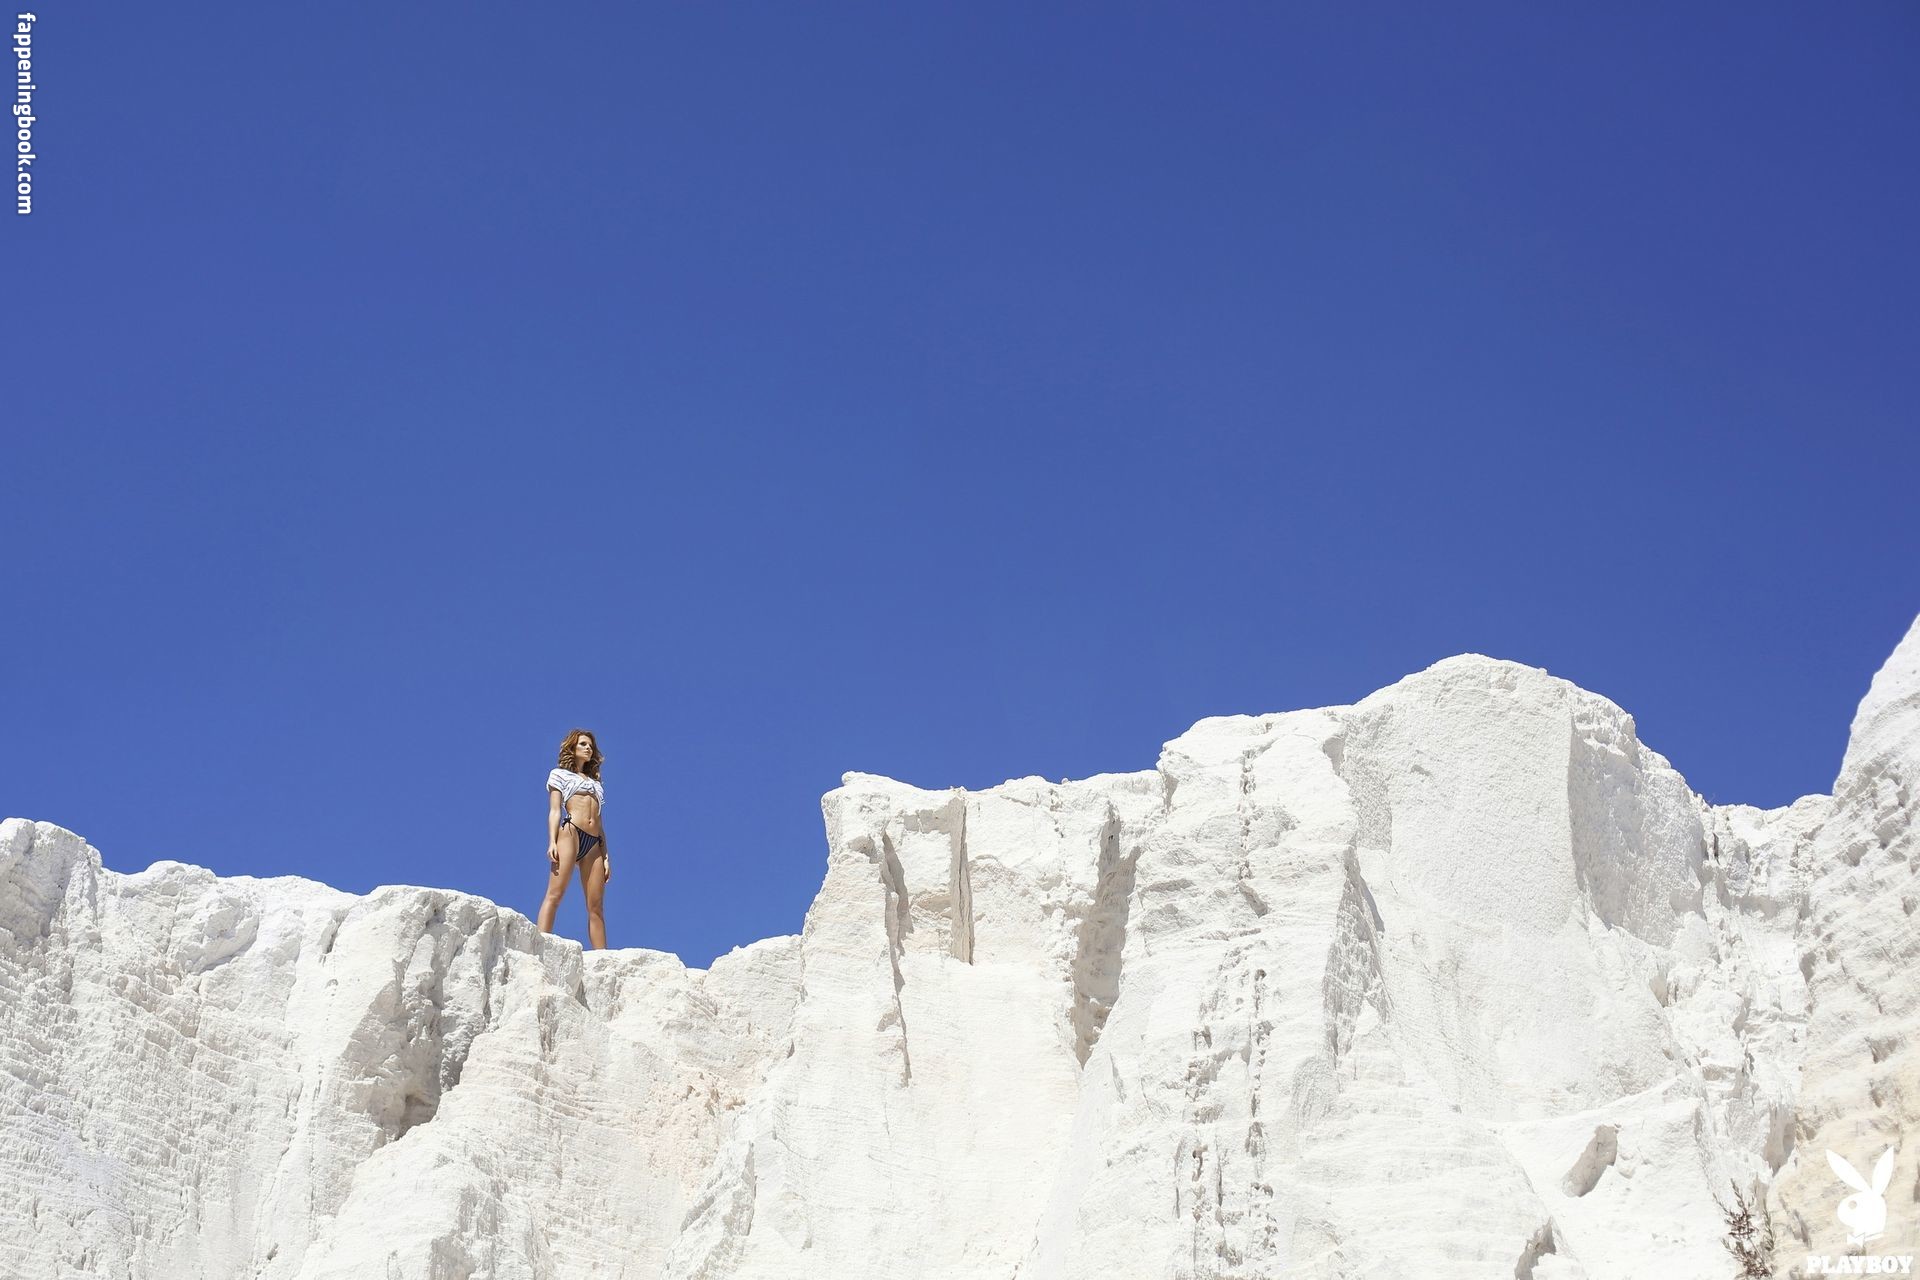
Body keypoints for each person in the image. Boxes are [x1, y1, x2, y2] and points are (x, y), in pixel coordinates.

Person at [536, 728, 612, 949]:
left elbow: (600, 822)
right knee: (555, 894)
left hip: (594, 843)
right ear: (572, 748)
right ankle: (538, 946)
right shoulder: (559, 775)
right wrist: (552, 841)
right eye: (583, 744)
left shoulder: (596, 784)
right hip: (571, 833)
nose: (588, 748)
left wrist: (606, 856)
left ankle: (603, 958)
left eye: (590, 746)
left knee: (596, 907)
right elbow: (554, 811)